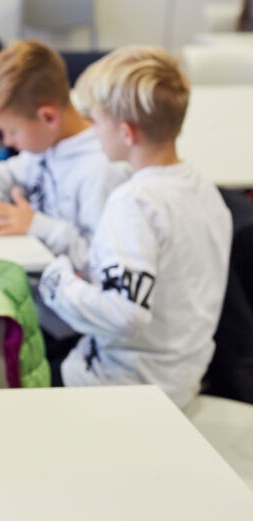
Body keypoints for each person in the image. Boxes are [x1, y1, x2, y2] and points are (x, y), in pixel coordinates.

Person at [37, 46, 232, 408]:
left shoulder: (133, 203)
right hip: (181, 379)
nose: (92, 131)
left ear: (126, 132)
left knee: (11, 372)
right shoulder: (204, 189)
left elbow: (124, 315)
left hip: (119, 386)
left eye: (95, 120)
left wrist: (57, 280)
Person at [0, 40, 129, 272]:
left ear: (48, 117)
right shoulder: (47, 143)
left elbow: (99, 261)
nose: (8, 141)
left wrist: (37, 225)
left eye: (12, 131)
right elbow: (11, 173)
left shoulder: (101, 170)